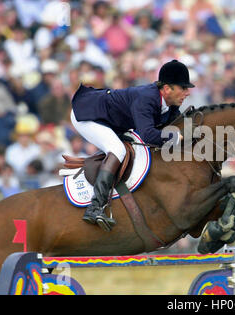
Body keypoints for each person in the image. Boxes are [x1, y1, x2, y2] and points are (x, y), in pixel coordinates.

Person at [70, 59, 194, 230]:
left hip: (110, 120)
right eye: (183, 88)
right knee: (118, 150)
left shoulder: (169, 103)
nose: (187, 93)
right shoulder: (147, 98)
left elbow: (178, 124)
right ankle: (95, 207)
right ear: (167, 89)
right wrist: (174, 137)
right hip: (87, 115)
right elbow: (148, 135)